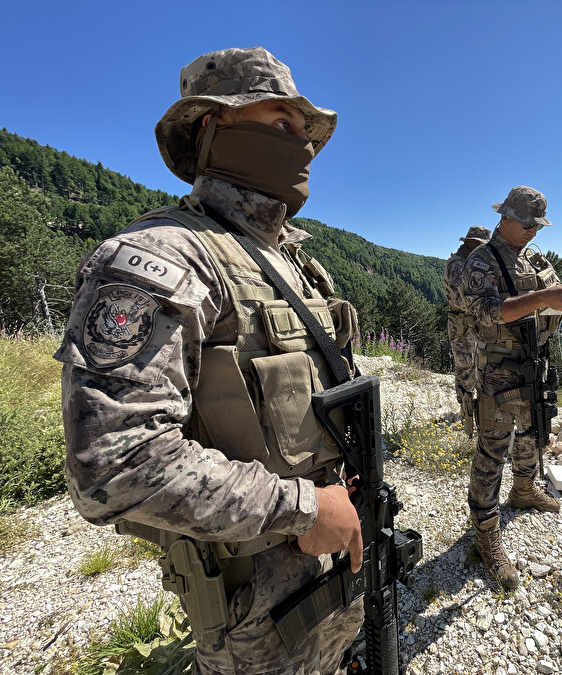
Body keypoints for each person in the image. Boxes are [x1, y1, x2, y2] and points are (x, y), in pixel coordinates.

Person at [55, 47, 365, 674]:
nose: (301, 145)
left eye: (306, 131)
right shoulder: (162, 258)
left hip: (329, 574)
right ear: (213, 129)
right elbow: (113, 466)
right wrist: (302, 508)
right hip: (253, 612)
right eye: (281, 123)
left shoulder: (294, 264)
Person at [459, 185, 562, 589]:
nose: (533, 232)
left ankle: (524, 489)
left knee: (534, 432)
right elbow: (488, 312)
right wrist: (545, 295)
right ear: (504, 217)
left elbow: (553, 302)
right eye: (527, 224)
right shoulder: (481, 261)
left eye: (538, 225)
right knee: (492, 449)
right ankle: (486, 534)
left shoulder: (534, 259)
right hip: (500, 370)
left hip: (535, 362)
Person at [444, 226, 491, 436]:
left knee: (479, 367)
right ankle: (466, 414)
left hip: (473, 323)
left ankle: (476, 411)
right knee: (464, 368)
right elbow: (458, 299)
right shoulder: (457, 265)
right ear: (472, 243)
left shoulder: (468, 263)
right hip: (462, 324)